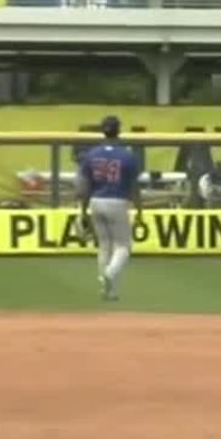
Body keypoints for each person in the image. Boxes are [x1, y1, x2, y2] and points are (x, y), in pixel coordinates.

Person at [75, 116, 142, 301]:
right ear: (118, 131)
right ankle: (109, 274)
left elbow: (85, 186)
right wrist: (139, 209)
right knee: (123, 247)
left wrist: (83, 210)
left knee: (104, 246)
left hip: (96, 200)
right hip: (118, 202)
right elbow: (134, 187)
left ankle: (108, 290)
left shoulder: (92, 154)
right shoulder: (127, 156)